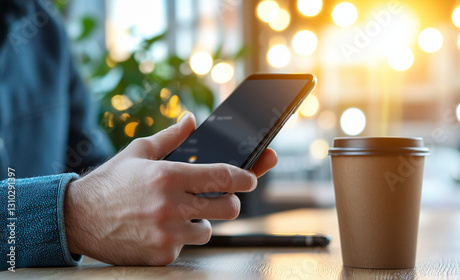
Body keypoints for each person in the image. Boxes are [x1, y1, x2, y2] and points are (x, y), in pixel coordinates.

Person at [0, 0, 278, 270]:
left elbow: (90, 162)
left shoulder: (44, 29)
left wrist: (154, 190)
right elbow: (87, 201)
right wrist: (74, 214)